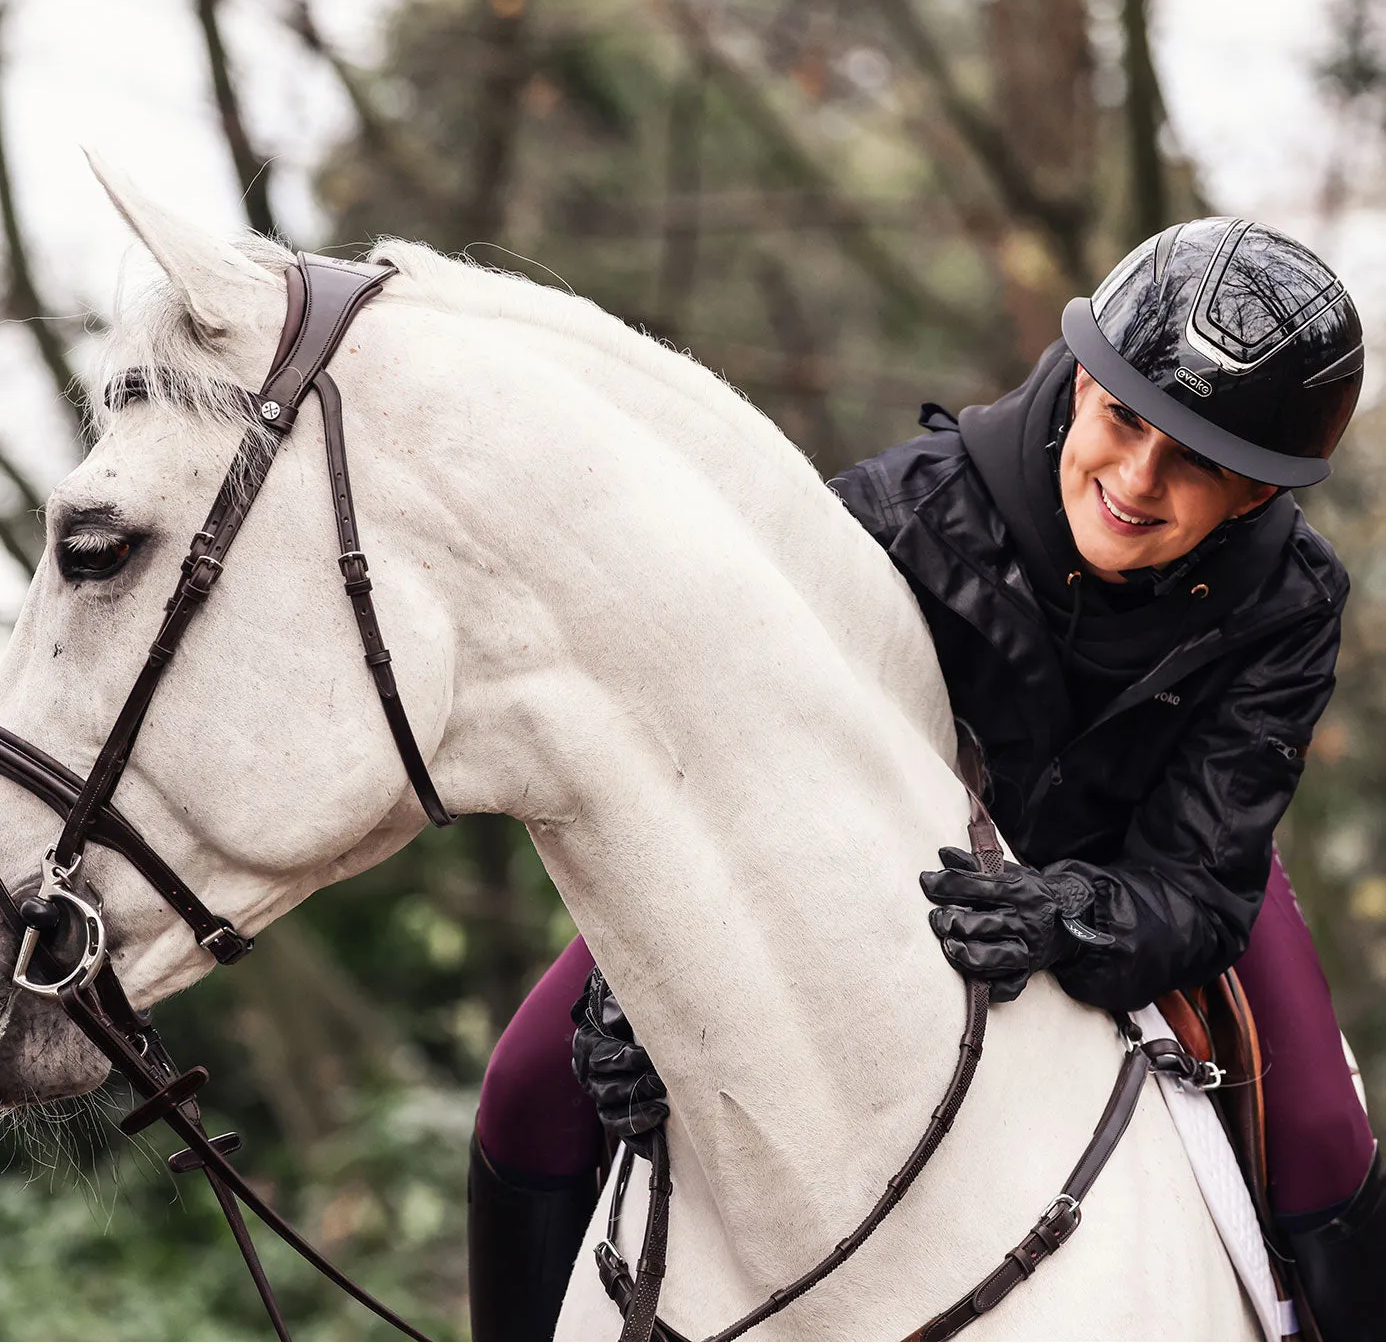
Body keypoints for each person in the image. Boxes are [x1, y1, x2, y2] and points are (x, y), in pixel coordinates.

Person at [468, 218, 1384, 1341]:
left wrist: (1073, 916)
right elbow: (726, 789)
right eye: (1125, 420)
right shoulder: (893, 515)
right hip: (841, 866)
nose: (1139, 481)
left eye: (1196, 461)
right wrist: (635, 998)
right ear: (1085, 384)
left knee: (1326, 1140)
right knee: (526, 1084)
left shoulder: (1291, 602)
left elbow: (1196, 882)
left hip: (1149, 872)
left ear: (1254, 495)